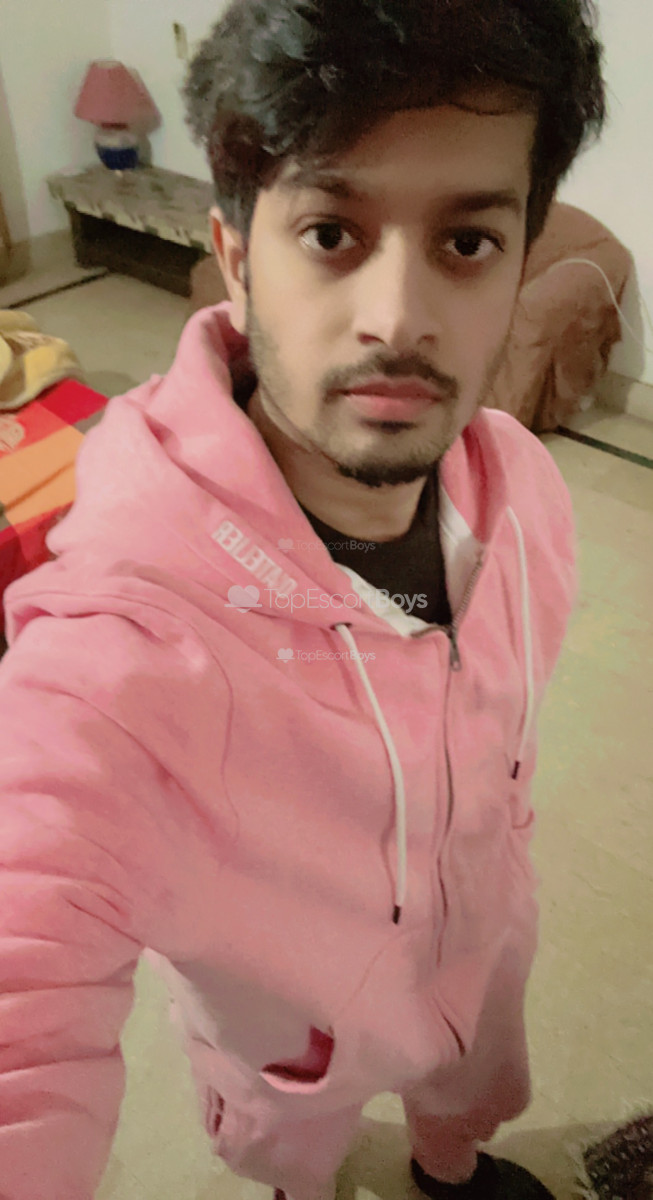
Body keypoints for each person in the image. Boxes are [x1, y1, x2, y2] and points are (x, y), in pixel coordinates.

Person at [0, 2, 606, 1198]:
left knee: (467, 1094)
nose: (397, 316)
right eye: (330, 231)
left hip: (476, 950)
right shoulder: (119, 655)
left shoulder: (524, 493)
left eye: (465, 241)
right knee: (297, 1155)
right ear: (235, 258)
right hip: (287, 1044)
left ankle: (447, 1168)